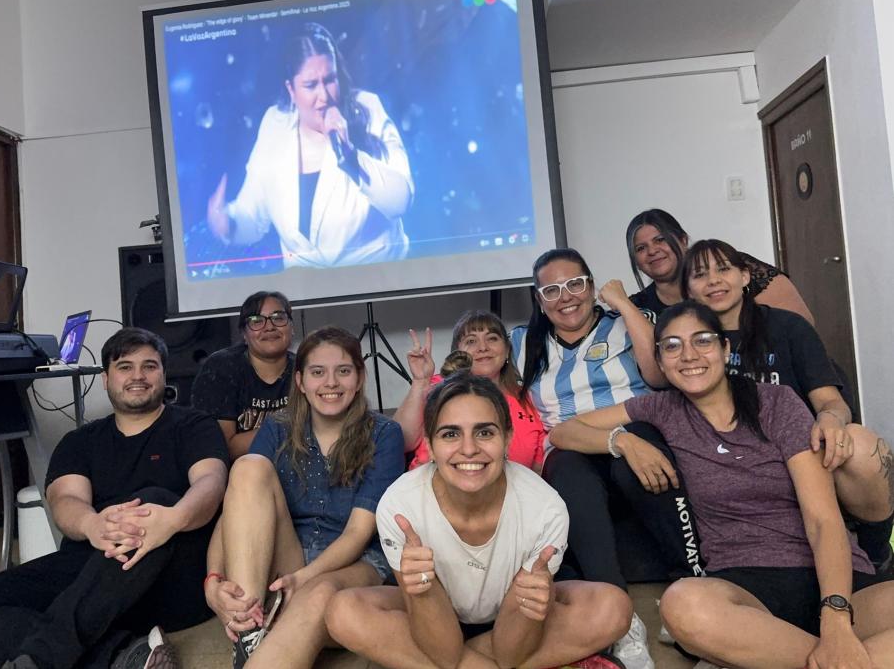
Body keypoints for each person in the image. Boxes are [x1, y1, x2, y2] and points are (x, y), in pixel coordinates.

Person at [549, 301, 894, 669]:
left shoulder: (776, 402)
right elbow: (564, 431)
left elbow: (823, 520)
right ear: (661, 363)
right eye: (672, 346)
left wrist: (837, 619)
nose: (689, 355)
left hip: (833, 580)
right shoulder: (661, 409)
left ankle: (795, 657)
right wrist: (622, 441)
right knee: (681, 604)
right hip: (745, 590)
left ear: (725, 349)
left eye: (702, 340)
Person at [0, 328, 229, 669]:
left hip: (171, 577)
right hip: (89, 570)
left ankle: (39, 659)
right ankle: (122, 657)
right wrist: (93, 524)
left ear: (163, 374)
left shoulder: (194, 425)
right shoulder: (80, 441)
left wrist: (175, 517)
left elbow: (211, 481)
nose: (138, 376)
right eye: (125, 366)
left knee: (154, 500)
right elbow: (65, 500)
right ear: (106, 378)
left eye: (149, 366)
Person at [326, 372, 633, 669]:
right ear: (430, 446)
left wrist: (532, 608)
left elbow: (510, 653)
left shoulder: (545, 508)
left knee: (614, 608)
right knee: (343, 612)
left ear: (507, 439)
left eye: (485, 432)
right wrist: (422, 592)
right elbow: (444, 652)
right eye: (450, 434)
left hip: (506, 621)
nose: (469, 449)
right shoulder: (400, 505)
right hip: (438, 616)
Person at [511, 247, 701, 669]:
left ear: (592, 286)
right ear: (539, 299)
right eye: (552, 290)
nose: (566, 297)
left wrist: (625, 305)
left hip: (634, 423)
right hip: (571, 443)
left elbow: (656, 378)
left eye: (576, 284)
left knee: (641, 457)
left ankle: (691, 588)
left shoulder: (625, 325)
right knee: (568, 476)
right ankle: (621, 620)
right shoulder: (523, 342)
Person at [681, 238, 894, 574]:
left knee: (865, 447)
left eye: (724, 269)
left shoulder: (787, 327)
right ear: (688, 290)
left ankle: (876, 553)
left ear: (745, 276)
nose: (714, 280)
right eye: (700, 274)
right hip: (732, 462)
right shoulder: (689, 345)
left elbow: (830, 401)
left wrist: (830, 419)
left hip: (801, 449)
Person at [203, 326, 405, 669]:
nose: (330, 383)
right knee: (248, 467)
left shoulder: (385, 434)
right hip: (289, 557)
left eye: (343, 371)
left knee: (319, 596)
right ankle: (251, 628)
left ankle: (263, 632)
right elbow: (236, 510)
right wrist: (213, 582)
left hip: (353, 565)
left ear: (359, 378)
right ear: (300, 381)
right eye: (317, 372)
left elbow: (357, 535)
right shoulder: (278, 428)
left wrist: (303, 580)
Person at [206, 21, 414, 268]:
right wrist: (228, 223)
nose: (324, 96)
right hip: (305, 296)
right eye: (310, 85)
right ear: (291, 90)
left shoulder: (367, 109)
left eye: (330, 80)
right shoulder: (275, 123)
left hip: (379, 285)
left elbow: (401, 200)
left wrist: (350, 156)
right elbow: (254, 214)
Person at [394, 310, 546, 471]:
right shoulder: (436, 387)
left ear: (507, 350)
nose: (483, 347)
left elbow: (536, 470)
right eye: (471, 341)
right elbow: (400, 441)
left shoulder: (527, 398)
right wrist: (420, 382)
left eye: (492, 338)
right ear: (458, 353)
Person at [625, 208, 814, 324]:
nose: (652, 251)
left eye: (660, 240)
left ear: (683, 240)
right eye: (641, 248)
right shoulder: (637, 307)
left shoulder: (733, 266)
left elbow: (801, 324)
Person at [192, 290, 295, 460]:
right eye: (256, 321)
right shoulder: (222, 368)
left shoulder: (306, 369)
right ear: (244, 334)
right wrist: (289, 430)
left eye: (278, 318)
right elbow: (220, 448)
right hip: (239, 473)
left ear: (292, 328)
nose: (269, 327)